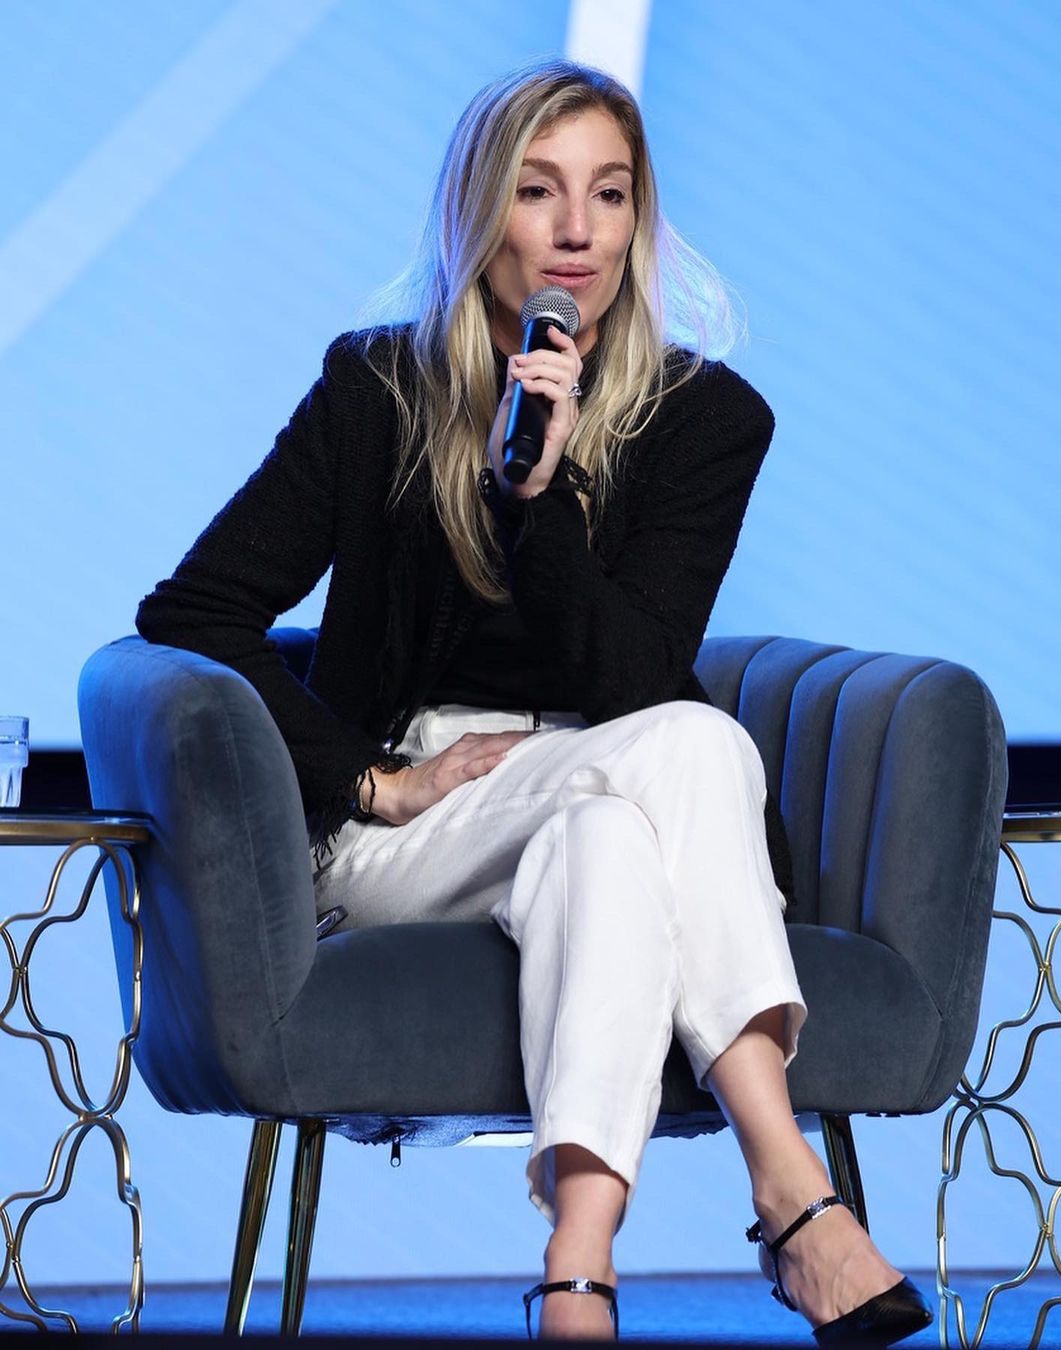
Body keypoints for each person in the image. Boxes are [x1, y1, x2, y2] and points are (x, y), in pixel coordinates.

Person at [136, 59, 931, 1345]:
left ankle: (577, 1275)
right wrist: (371, 782)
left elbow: (628, 683)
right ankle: (791, 1188)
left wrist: (538, 501)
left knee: (616, 825)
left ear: (637, 220)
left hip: (625, 785)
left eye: (610, 195)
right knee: (695, 747)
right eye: (538, 190)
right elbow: (192, 612)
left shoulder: (704, 420)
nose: (578, 231)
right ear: (480, 213)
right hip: (416, 831)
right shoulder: (378, 392)